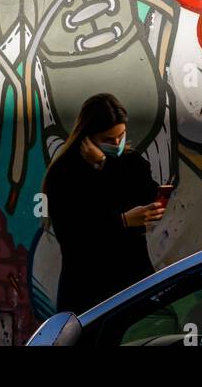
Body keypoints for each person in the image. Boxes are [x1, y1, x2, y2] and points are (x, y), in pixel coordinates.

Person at [43, 93, 165, 314]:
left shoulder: (131, 163)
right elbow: (72, 236)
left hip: (133, 288)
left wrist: (104, 164)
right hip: (88, 294)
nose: (117, 144)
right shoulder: (64, 174)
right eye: (108, 140)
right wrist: (123, 221)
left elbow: (145, 192)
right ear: (87, 138)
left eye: (121, 136)